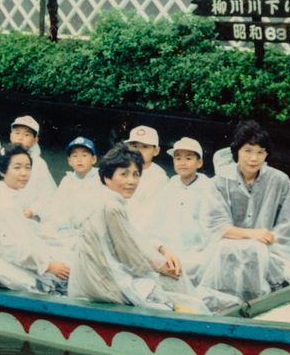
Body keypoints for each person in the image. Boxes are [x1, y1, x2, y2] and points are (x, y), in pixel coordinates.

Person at [68, 143, 235, 313]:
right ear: (107, 177)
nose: (131, 181)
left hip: (97, 278)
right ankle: (206, 318)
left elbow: (131, 238)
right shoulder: (112, 206)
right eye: (124, 175)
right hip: (105, 284)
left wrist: (161, 249)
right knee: (175, 277)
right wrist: (161, 266)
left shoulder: (105, 198)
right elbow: (131, 256)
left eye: (136, 174)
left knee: (174, 277)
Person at [200, 120, 290, 299]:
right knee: (227, 250)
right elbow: (215, 226)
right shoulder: (219, 181)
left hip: (268, 246)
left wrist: (264, 240)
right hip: (226, 247)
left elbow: (288, 225)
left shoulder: (280, 180)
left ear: (266, 154)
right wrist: (252, 235)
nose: (254, 158)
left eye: (260, 152)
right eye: (248, 151)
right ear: (237, 152)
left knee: (260, 253)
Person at [0, 144, 70, 294]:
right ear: (2, 171)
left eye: (28, 168)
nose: (24, 173)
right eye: (17, 167)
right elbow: (12, 248)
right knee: (54, 278)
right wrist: (47, 265)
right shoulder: (2, 201)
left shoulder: (3, 193)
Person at [149, 137, 215, 285]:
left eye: (188, 158)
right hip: (170, 250)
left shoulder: (209, 188)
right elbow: (155, 221)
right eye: (177, 158)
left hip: (198, 254)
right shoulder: (169, 186)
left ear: (199, 162)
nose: (182, 162)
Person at [40, 136, 106, 245]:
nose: (79, 159)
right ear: (69, 161)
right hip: (70, 229)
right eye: (75, 156)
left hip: (93, 231)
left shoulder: (101, 179)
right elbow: (58, 206)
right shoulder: (67, 180)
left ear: (93, 159)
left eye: (84, 155)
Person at [8, 115, 56, 218]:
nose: (20, 137)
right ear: (11, 135)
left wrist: (33, 210)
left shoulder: (39, 164)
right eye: (17, 133)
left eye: (26, 135)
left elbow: (48, 193)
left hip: (27, 216)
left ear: (35, 140)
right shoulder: (2, 158)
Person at [125, 125, 168, 224]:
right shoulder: (117, 170)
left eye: (145, 147)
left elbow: (154, 216)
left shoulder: (160, 179)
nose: (138, 151)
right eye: (134, 146)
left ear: (156, 151)